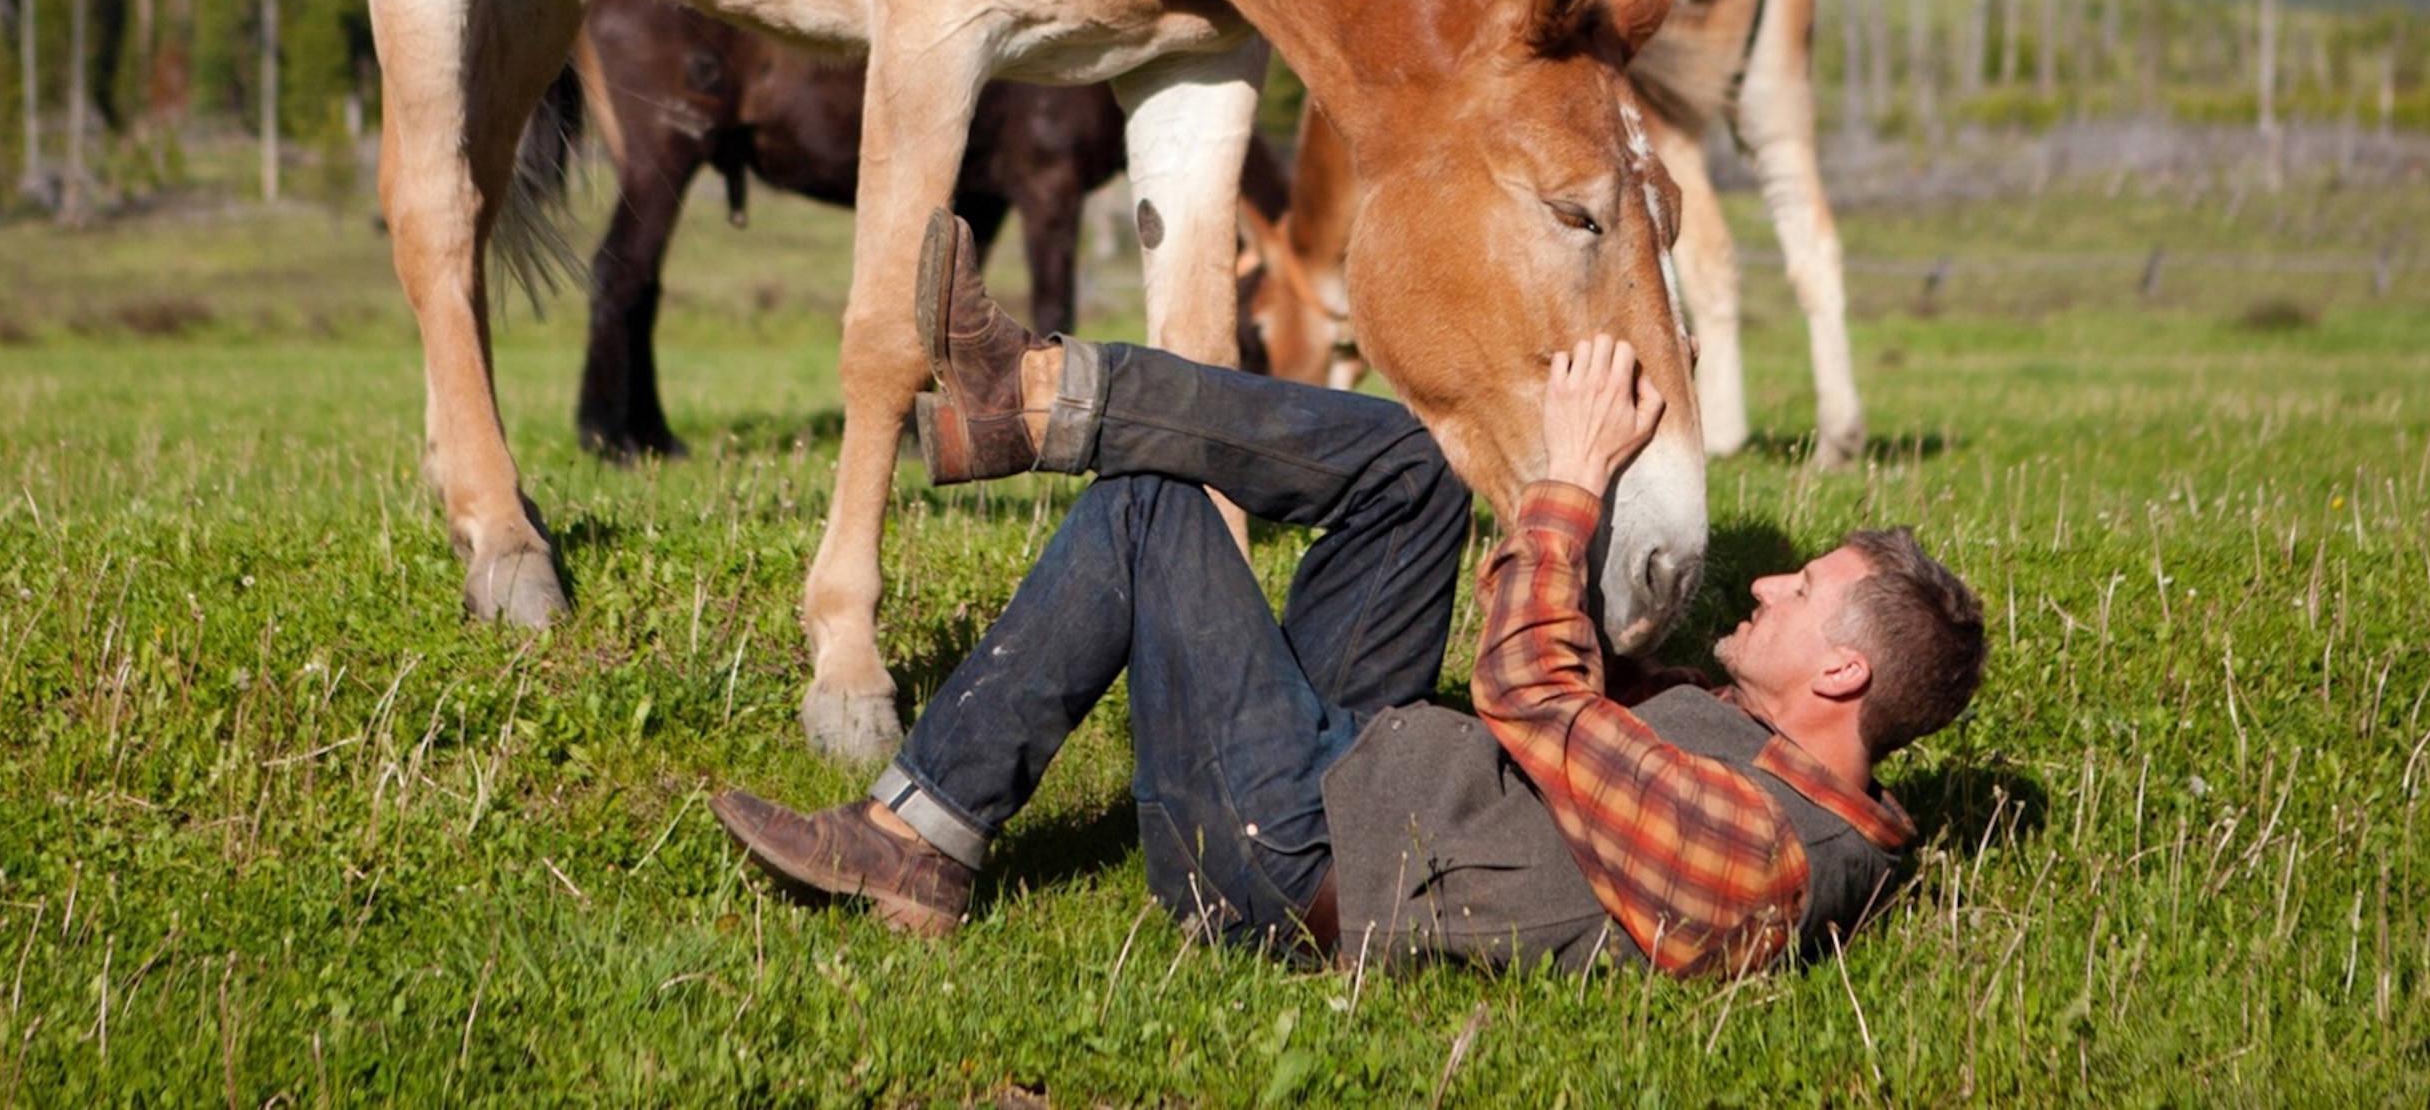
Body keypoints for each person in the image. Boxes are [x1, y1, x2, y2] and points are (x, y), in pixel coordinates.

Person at [712, 209, 1986, 976]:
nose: (1766, 577)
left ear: (1843, 673)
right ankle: (1041, 395)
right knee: (1409, 472)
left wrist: (1575, 474)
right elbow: (1565, 676)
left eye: (1804, 585)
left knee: (1153, 511)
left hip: (1290, 854)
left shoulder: (1765, 860)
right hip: (1353, 765)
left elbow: (1532, 692)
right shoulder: (1759, 755)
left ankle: (916, 842)